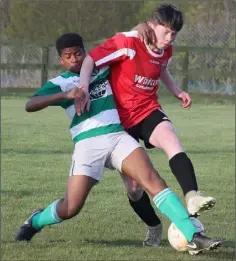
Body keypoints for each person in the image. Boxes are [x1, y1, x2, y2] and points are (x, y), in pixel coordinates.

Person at [15, 33, 222, 255]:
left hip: (118, 136)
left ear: (85, 53)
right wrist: (65, 95)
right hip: (87, 145)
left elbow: (133, 42)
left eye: (78, 53)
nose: (74, 59)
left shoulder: (105, 69)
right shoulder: (59, 83)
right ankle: (36, 221)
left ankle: (193, 236)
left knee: (152, 181)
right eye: (68, 56)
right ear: (61, 60)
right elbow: (30, 104)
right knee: (71, 207)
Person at [77, 3, 217, 246]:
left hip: (147, 110)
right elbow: (90, 59)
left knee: (171, 138)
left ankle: (192, 196)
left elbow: (161, 68)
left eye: (174, 33)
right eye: (166, 32)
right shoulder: (128, 41)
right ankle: (154, 226)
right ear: (152, 25)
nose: (170, 38)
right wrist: (82, 87)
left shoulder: (166, 48)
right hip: (120, 121)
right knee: (134, 188)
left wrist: (176, 90)